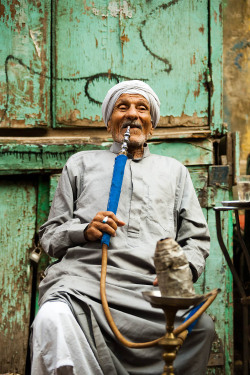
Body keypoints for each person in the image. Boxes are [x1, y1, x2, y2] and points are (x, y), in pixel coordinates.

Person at [31, 80, 215, 375]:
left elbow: (196, 239)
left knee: (200, 328)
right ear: (109, 122)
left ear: (151, 124)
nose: (132, 114)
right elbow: (50, 236)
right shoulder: (80, 164)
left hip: (148, 288)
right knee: (52, 318)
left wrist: (182, 272)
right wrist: (83, 230)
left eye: (142, 108)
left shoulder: (175, 172)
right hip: (84, 282)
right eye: (122, 107)